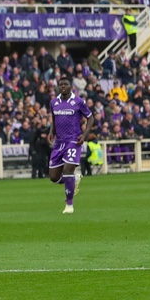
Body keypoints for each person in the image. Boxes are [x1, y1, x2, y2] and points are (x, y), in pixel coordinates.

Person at [48, 76, 92, 214]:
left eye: (65, 84)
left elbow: (90, 118)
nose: (63, 87)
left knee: (67, 171)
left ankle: (69, 205)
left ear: (71, 86)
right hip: (59, 142)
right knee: (54, 177)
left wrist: (84, 135)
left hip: (73, 141)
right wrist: (51, 132)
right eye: (60, 84)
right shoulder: (54, 102)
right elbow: (54, 119)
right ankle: (74, 179)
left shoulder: (78, 101)